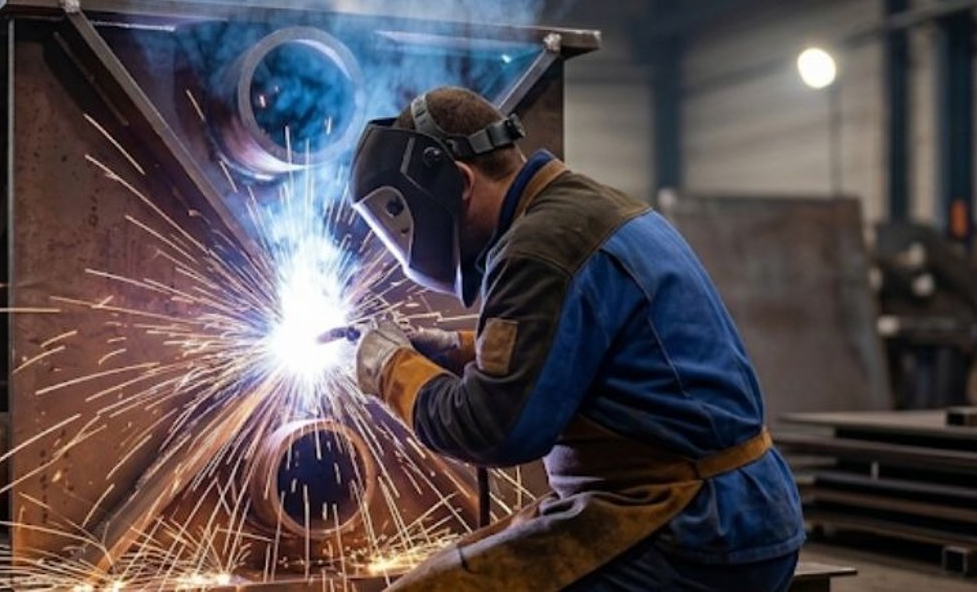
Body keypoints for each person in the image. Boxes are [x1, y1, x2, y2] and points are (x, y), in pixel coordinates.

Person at [342, 86, 803, 591]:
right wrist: (456, 351)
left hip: (690, 529)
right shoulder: (588, 209)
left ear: (457, 182)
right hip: (732, 508)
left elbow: (491, 430)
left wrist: (390, 369)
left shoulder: (538, 248)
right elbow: (584, 345)